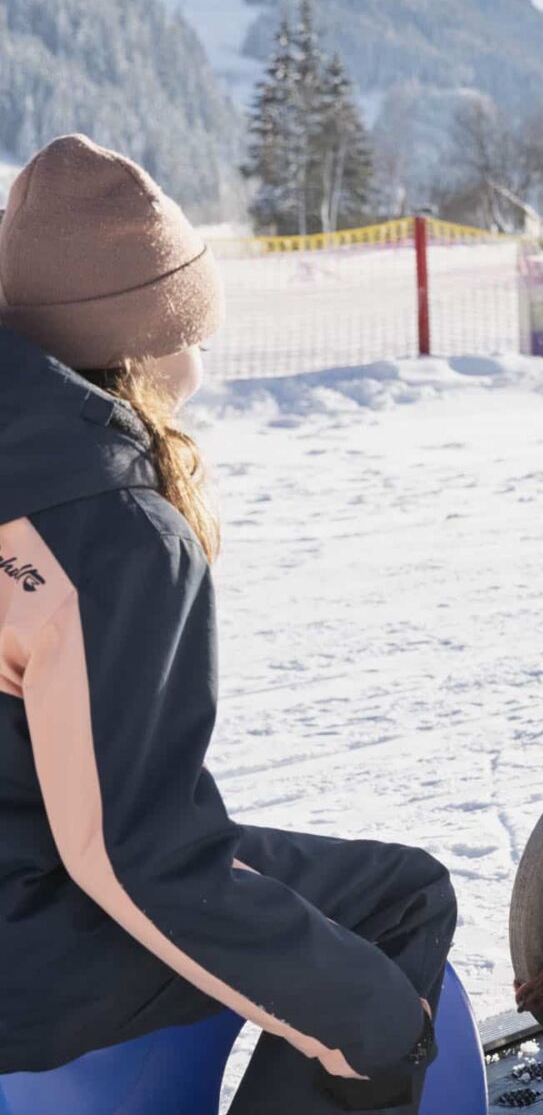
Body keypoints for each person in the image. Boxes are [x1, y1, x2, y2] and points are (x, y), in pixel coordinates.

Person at [0, 135, 456, 1113]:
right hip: (22, 955)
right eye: (193, 324)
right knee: (399, 901)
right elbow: (128, 856)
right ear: (144, 338)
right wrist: (369, 1027)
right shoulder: (105, 530)